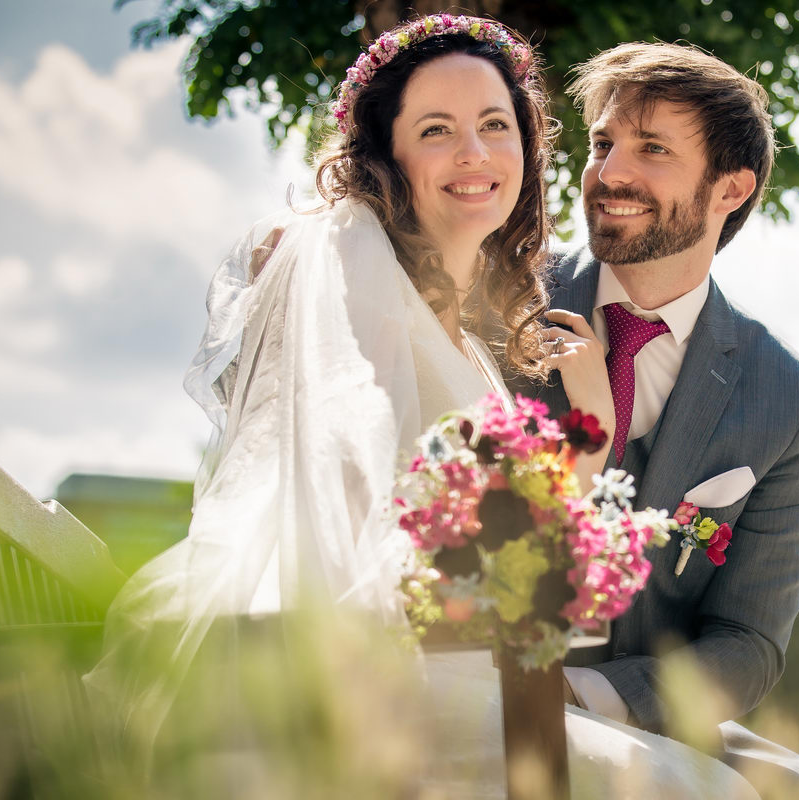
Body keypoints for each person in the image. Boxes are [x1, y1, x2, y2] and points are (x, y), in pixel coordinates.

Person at [84, 15, 757, 798]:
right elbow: (347, 534)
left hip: (458, 683)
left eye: (495, 125)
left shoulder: (465, 334)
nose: (474, 153)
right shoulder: (357, 297)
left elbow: (490, 543)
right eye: (437, 129)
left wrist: (591, 438)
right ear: (387, 155)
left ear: (527, 149)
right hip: (367, 692)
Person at [534, 39, 799, 741]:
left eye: (652, 149)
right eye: (602, 144)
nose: (610, 173)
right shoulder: (499, 300)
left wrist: (586, 696)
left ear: (731, 188)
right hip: (461, 690)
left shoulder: (789, 399)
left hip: (641, 732)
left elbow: (748, 642)